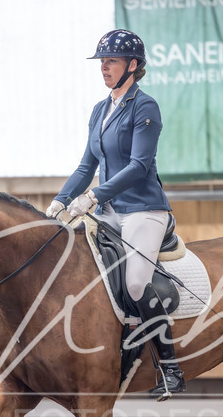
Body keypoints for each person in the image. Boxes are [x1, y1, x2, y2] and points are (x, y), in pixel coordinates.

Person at [45, 29, 185, 397]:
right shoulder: (99, 110)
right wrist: (59, 202)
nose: (104, 68)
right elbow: (85, 165)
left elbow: (139, 165)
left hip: (144, 210)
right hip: (108, 211)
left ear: (132, 66)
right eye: (102, 62)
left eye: (111, 61)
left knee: (137, 283)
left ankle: (170, 370)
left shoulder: (145, 107)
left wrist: (93, 197)